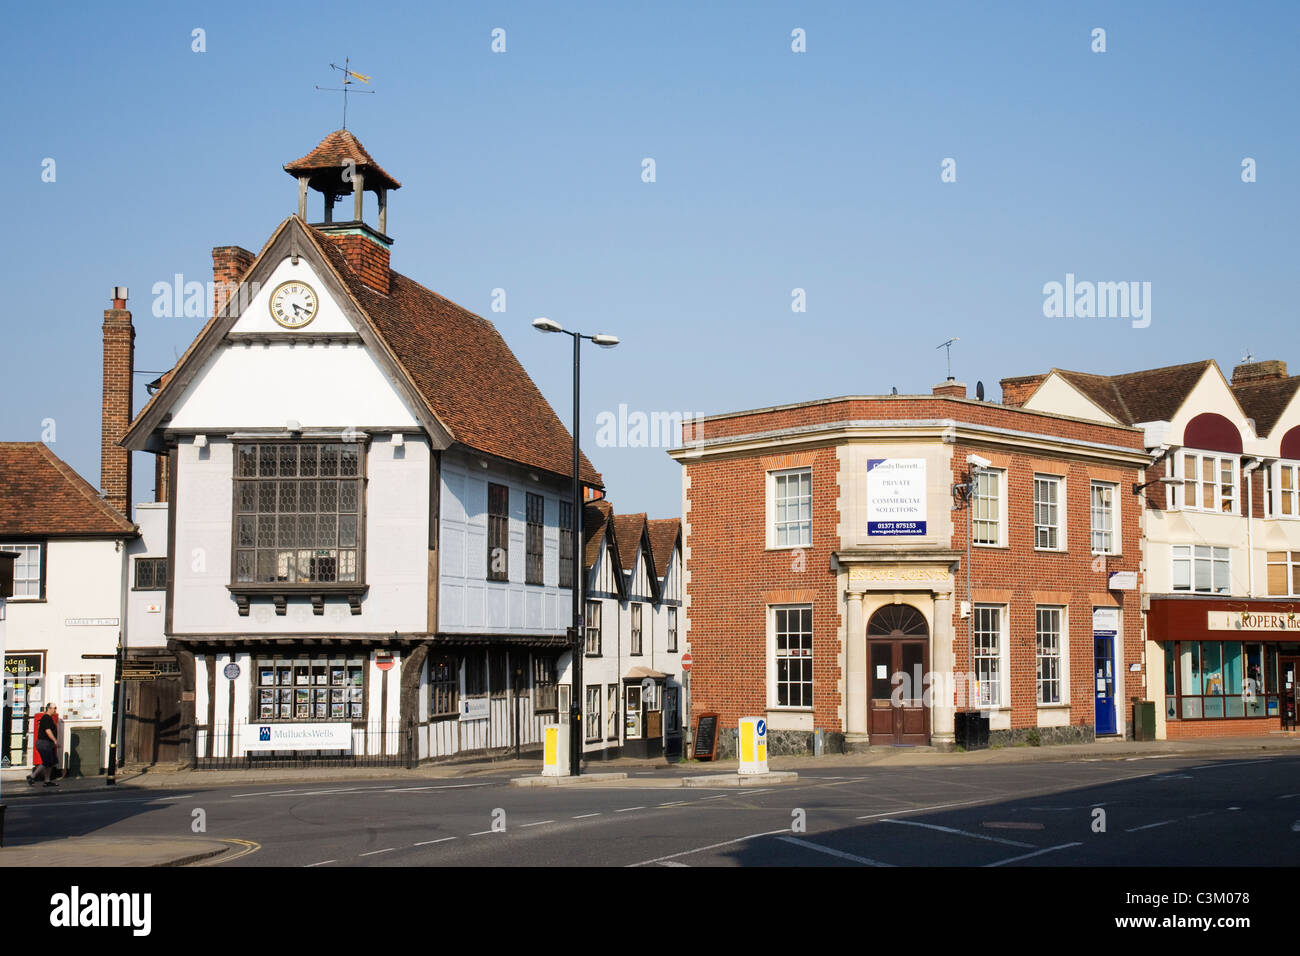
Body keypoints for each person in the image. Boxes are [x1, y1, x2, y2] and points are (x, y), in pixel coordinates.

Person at [26, 703, 59, 787]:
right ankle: (32, 776)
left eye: (56, 708)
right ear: (49, 708)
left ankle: (47, 781)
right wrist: (55, 740)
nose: (55, 710)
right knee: (46, 762)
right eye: (54, 708)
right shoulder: (45, 718)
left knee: (51, 762)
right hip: (44, 743)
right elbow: (48, 731)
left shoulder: (49, 718)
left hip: (48, 744)